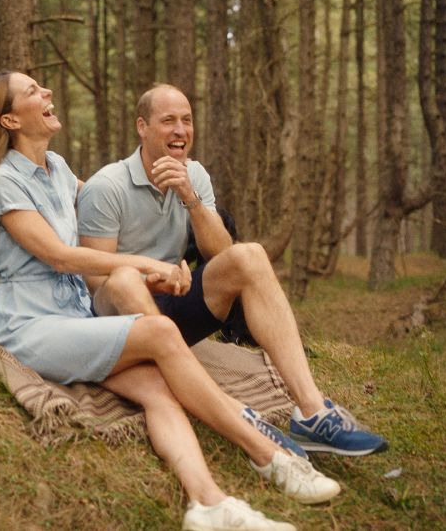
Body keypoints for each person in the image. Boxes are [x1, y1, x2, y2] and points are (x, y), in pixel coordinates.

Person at [0, 71, 340, 531]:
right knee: (159, 332)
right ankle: (266, 451)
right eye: (33, 91)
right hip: (31, 325)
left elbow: (103, 202)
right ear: (10, 118)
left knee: (158, 389)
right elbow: (57, 256)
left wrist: (171, 257)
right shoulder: (3, 180)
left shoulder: (57, 169)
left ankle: (208, 503)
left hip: (78, 319)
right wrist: (146, 265)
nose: (47, 92)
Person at [77, 83, 389, 457]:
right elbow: (94, 278)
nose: (180, 130)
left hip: (174, 306)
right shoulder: (107, 186)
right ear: (142, 127)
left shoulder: (196, 176)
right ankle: (230, 411)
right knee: (125, 280)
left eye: (187, 121)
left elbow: (221, 254)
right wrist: (150, 279)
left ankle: (312, 411)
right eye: (168, 121)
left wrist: (189, 198)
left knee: (250, 255)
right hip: (121, 321)